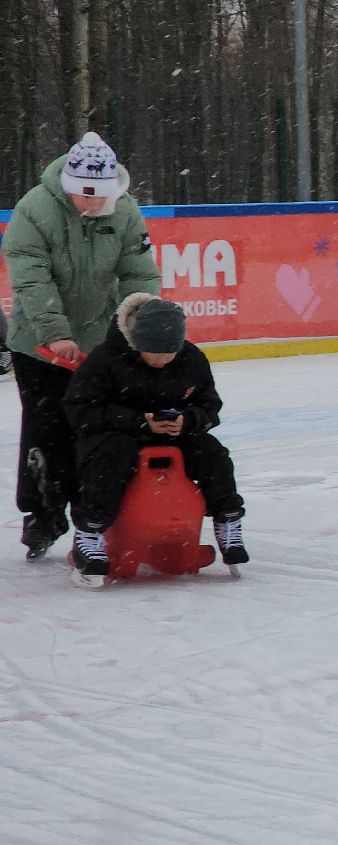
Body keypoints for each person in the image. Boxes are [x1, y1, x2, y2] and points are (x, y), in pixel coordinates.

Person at [5, 131, 163, 560]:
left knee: (99, 429)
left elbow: (139, 274)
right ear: (69, 186)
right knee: (46, 430)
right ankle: (43, 513)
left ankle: (96, 514)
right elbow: (32, 277)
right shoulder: (34, 210)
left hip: (100, 343)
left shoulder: (125, 211)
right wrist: (55, 332)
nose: (92, 206)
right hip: (37, 345)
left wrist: (139, 329)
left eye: (100, 198)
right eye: (84, 197)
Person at [61, 293, 245, 585]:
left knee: (211, 452)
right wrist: (138, 422)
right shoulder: (105, 360)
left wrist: (189, 421)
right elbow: (80, 411)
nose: (162, 360)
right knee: (112, 457)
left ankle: (228, 519)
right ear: (136, 343)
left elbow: (210, 405)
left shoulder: (191, 359)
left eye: (169, 353)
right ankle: (91, 532)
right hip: (114, 436)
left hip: (175, 436)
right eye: (154, 353)